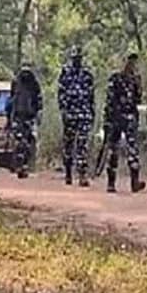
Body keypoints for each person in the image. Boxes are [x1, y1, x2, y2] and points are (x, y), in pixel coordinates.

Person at [103, 53, 146, 193]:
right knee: (113, 150)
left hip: (130, 117)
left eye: (134, 63)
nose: (131, 65)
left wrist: (139, 86)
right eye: (129, 62)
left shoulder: (135, 80)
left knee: (133, 150)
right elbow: (109, 100)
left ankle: (135, 181)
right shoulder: (115, 78)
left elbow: (138, 99)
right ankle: (111, 183)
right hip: (116, 118)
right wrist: (108, 119)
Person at [58, 45, 94, 187]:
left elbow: (91, 95)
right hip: (70, 114)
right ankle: (68, 172)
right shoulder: (65, 72)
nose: (77, 60)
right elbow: (61, 93)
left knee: (82, 144)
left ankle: (82, 174)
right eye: (75, 58)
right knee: (68, 144)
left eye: (79, 58)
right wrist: (63, 110)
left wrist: (91, 112)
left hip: (84, 113)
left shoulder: (87, 74)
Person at [7, 63, 42, 179]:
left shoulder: (34, 84)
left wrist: (38, 114)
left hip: (29, 117)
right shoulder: (16, 83)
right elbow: (11, 100)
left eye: (27, 72)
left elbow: (38, 99)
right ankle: (19, 166)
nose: (25, 74)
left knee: (28, 143)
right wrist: (9, 117)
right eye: (24, 72)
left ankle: (25, 165)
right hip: (18, 117)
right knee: (19, 143)